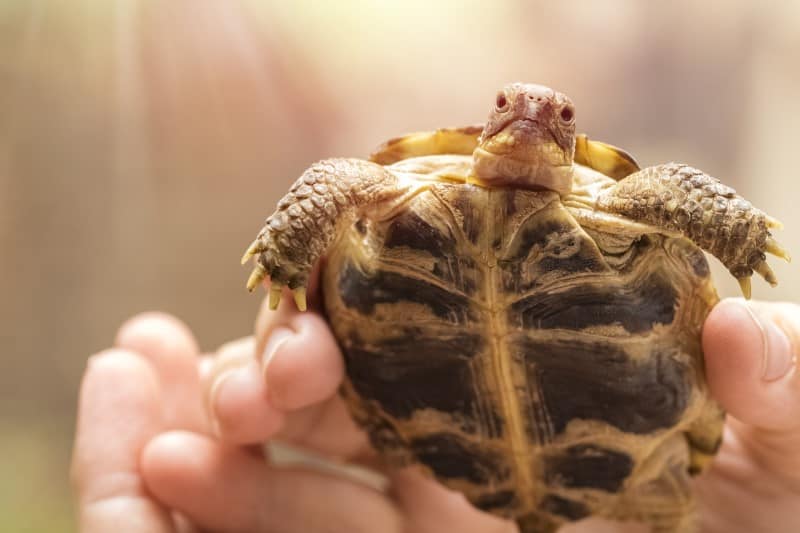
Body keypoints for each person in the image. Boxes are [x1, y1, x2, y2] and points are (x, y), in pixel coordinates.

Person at [71, 288, 800, 533]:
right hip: (441, 451)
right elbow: (342, 185)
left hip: (668, 492)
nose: (532, 121)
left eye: (558, 118)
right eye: (508, 110)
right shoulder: (402, 190)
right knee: (281, 367)